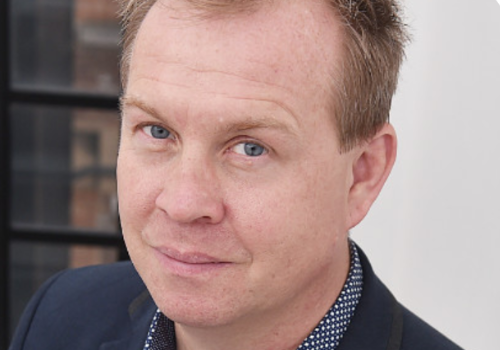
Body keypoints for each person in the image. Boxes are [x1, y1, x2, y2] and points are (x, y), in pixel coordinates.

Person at [9, 0, 464, 349]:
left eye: (251, 149)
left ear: (361, 176)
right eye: (158, 130)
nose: (183, 203)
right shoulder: (58, 319)